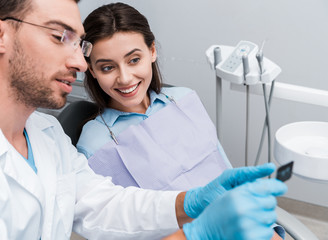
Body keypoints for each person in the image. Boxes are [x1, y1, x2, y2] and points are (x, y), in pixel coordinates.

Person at [0, 0, 287, 239]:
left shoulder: (48, 135)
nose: (80, 62)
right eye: (59, 36)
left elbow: (104, 204)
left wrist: (188, 203)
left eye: (80, 44)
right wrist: (197, 234)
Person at [77, 3, 285, 239]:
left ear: (152, 51)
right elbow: (118, 226)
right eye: (107, 67)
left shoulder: (184, 98)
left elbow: (222, 166)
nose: (124, 78)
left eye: (134, 60)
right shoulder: (94, 145)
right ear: (92, 70)